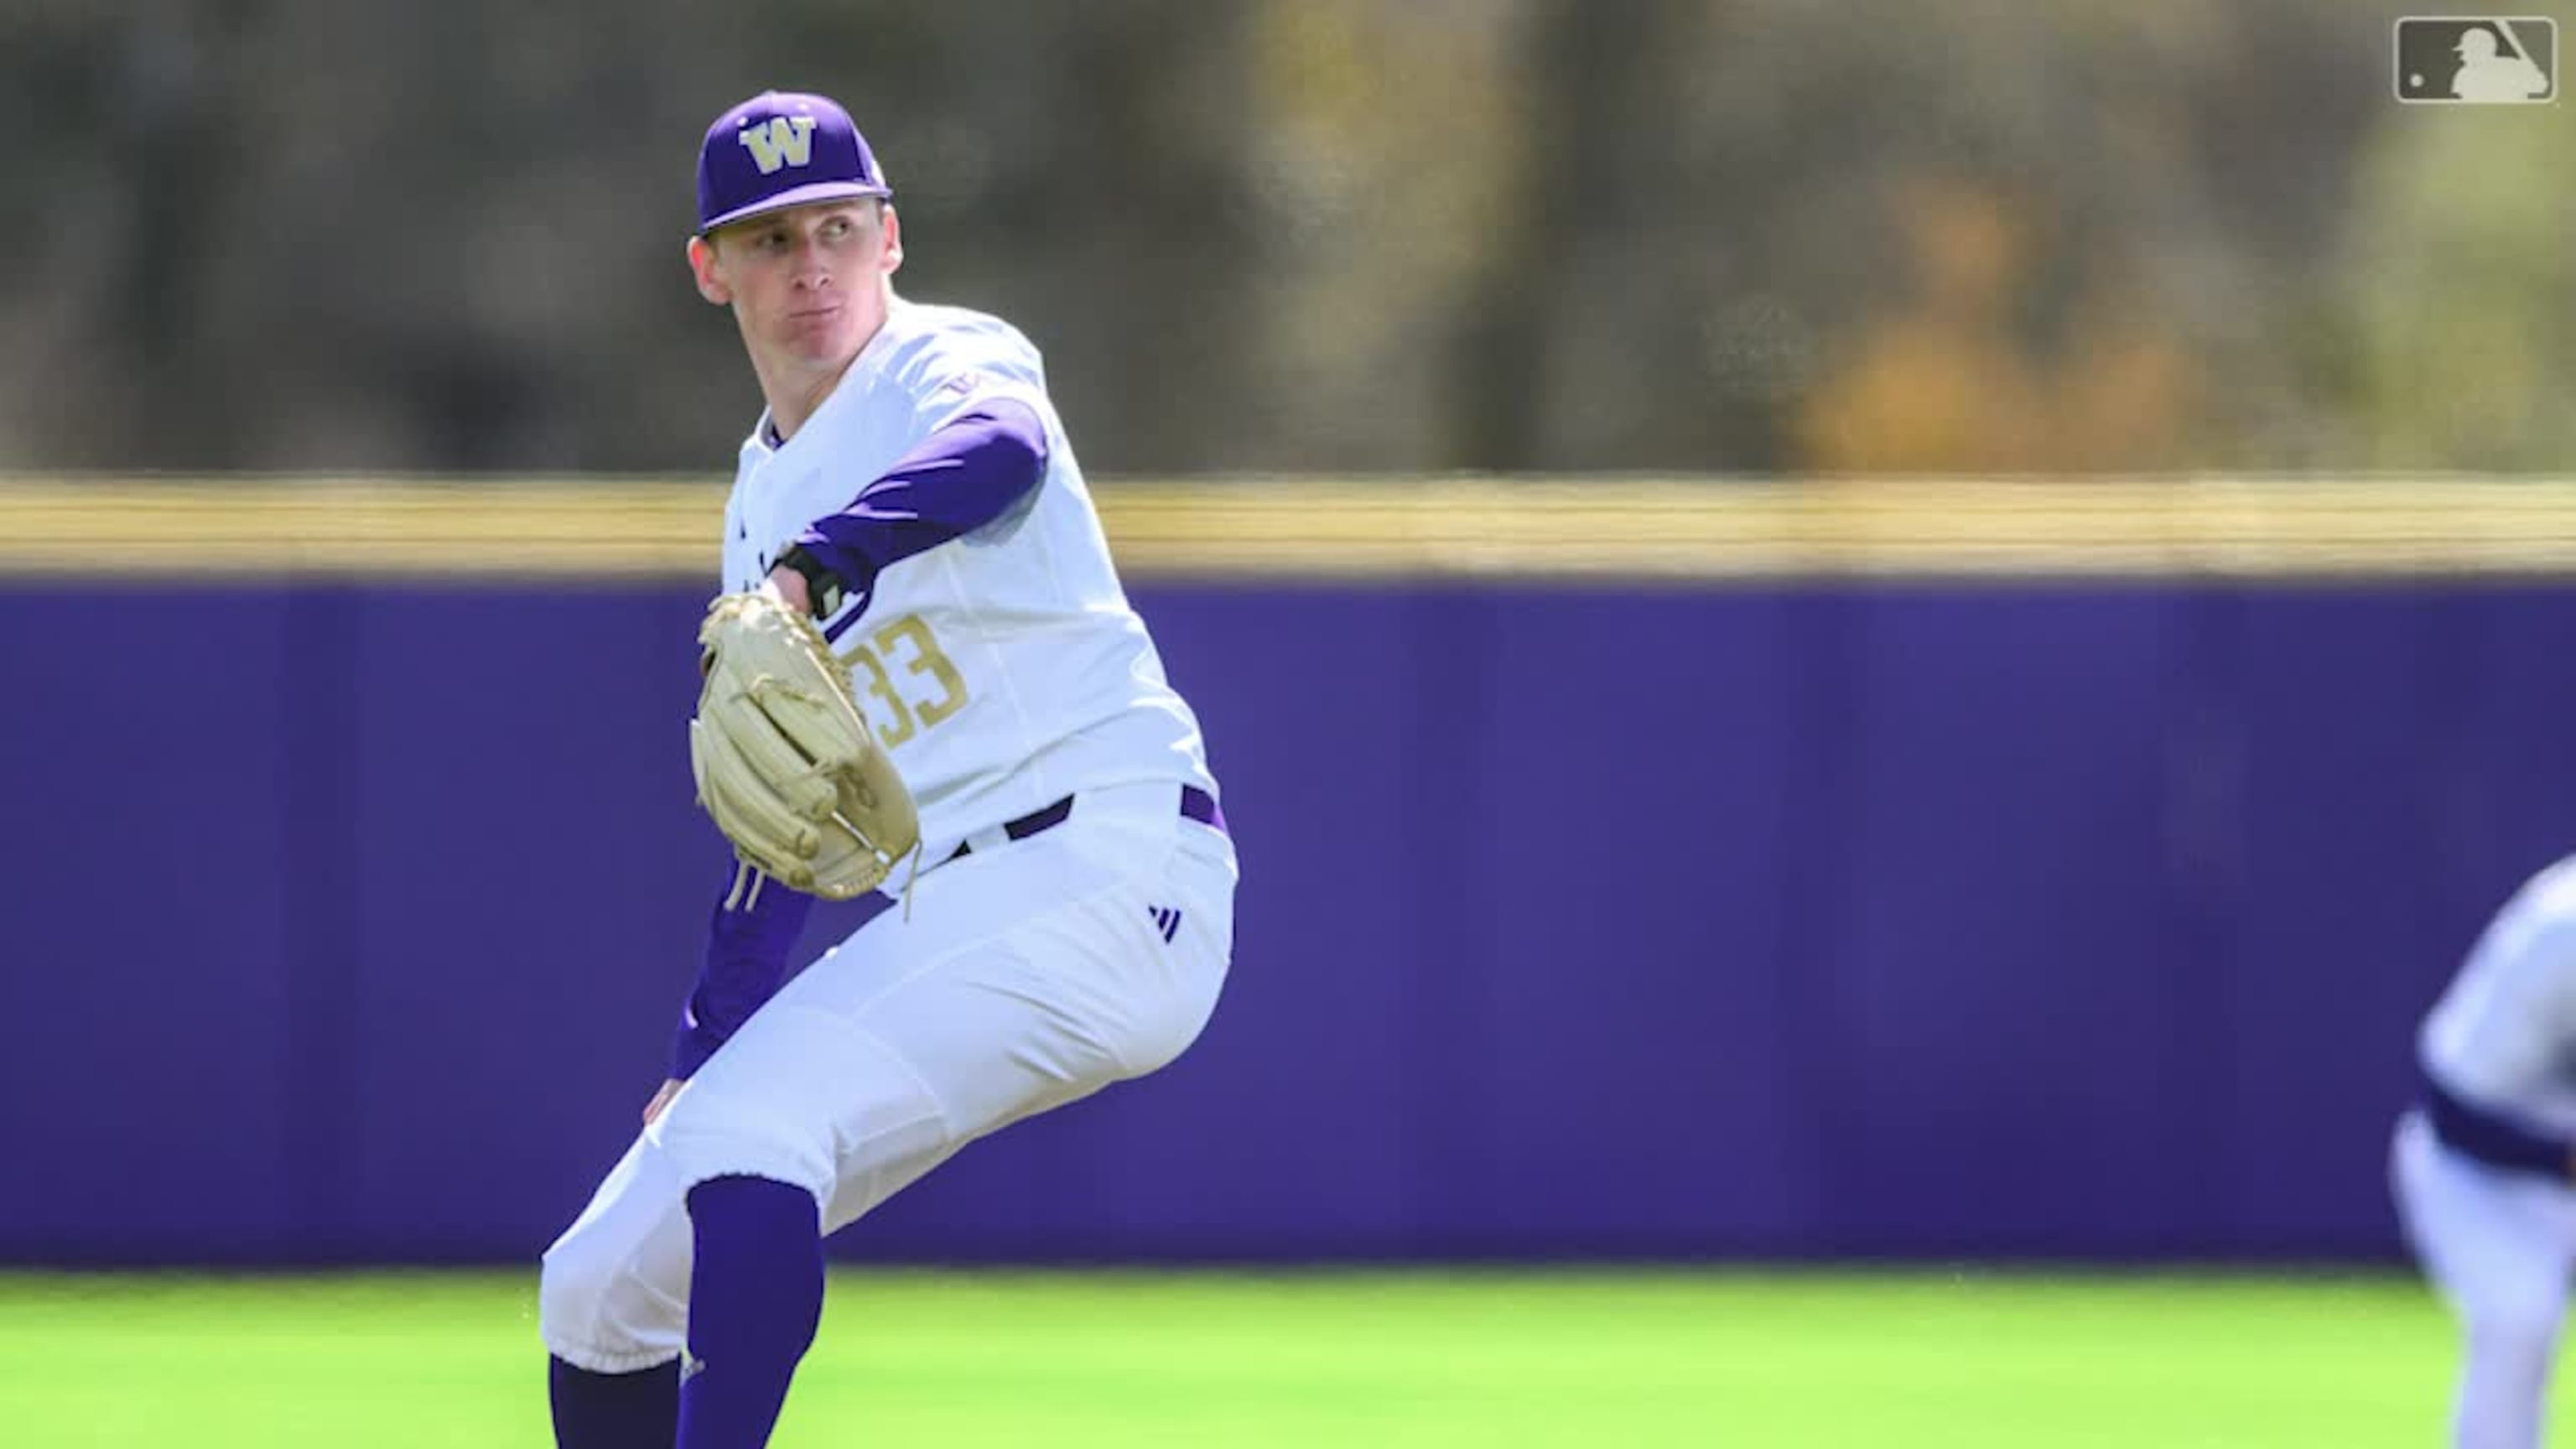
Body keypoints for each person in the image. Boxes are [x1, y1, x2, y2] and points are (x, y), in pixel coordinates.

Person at [536, 89, 1239, 1447]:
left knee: (759, 1133)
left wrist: (816, 564)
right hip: (965, 903)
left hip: (1111, 859)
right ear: (708, 267)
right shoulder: (753, 505)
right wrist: (706, 1036)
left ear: (890, 239)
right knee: (602, 1277)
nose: (810, 266)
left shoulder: (942, 360)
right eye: (769, 237)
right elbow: (785, 801)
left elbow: (1005, 450)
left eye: (837, 229)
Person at [2392, 854, 2576, 1449]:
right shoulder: (2559, 930)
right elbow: (2455, 1110)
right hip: (2475, 1178)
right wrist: (2564, 1160)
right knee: (2519, 1311)